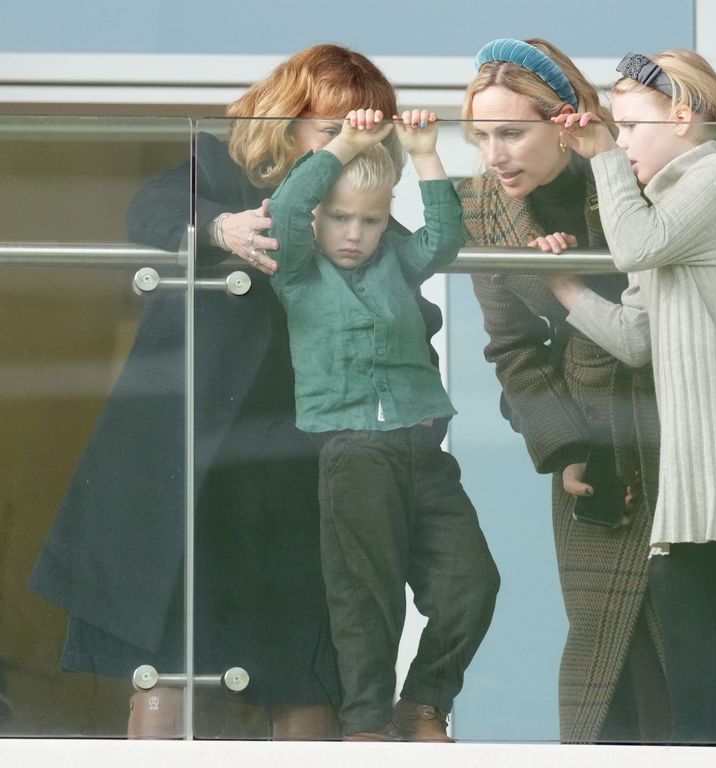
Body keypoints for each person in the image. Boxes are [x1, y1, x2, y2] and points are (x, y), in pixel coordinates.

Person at [28, 44, 442, 739]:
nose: (347, 143)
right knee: (169, 664)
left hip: (304, 474)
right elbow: (150, 212)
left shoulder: (372, 227)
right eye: (329, 126)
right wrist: (220, 230)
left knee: (307, 668)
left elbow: (413, 336)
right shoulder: (220, 175)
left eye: (364, 129)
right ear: (287, 121)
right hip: (194, 465)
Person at [544, 49, 716, 745]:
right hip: (706, 427)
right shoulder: (668, 199)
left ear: (685, 118)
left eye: (633, 125)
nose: (624, 140)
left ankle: (714, 750)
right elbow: (637, 336)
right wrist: (564, 290)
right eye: (620, 129)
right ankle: (715, 748)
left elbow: (635, 246)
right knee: (692, 603)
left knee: (688, 597)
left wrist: (600, 152)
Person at [459, 37, 668, 744]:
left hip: (677, 411)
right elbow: (513, 347)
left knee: (686, 628)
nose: (496, 154)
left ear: (564, 120)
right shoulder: (485, 207)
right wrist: (565, 447)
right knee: (605, 640)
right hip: (589, 431)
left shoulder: (629, 171)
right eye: (482, 135)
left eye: (512, 133)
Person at [267, 107, 499, 742]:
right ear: (318, 218)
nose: (353, 233)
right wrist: (343, 145)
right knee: (366, 597)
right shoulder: (298, 271)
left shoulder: (397, 259)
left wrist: (425, 154)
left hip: (424, 448)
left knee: (472, 582)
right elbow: (287, 210)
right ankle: (366, 723)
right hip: (353, 451)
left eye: (369, 220)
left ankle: (422, 704)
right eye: (339, 217)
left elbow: (443, 240)